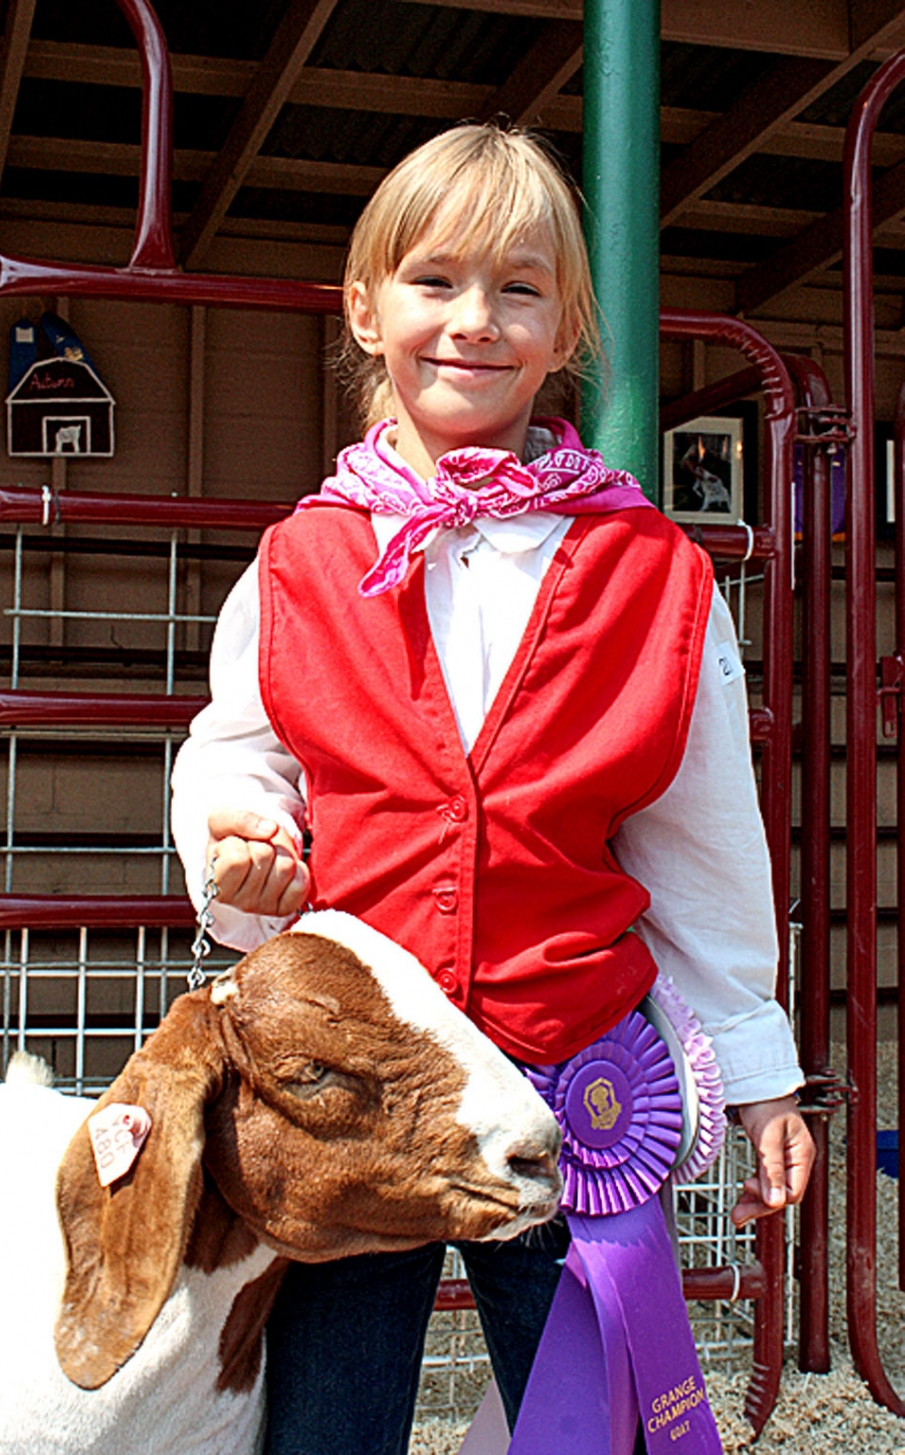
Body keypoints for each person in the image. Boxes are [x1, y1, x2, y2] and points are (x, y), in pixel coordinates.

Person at [171, 123, 814, 1455]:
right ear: (365, 305)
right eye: (434, 281)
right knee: (326, 1425)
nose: (473, 321)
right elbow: (238, 751)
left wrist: (756, 1076)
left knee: (603, 1425)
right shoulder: (298, 560)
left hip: (572, 1087)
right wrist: (238, 847)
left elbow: (701, 848)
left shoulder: (660, 577)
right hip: (357, 1084)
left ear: (564, 321)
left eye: (517, 288)